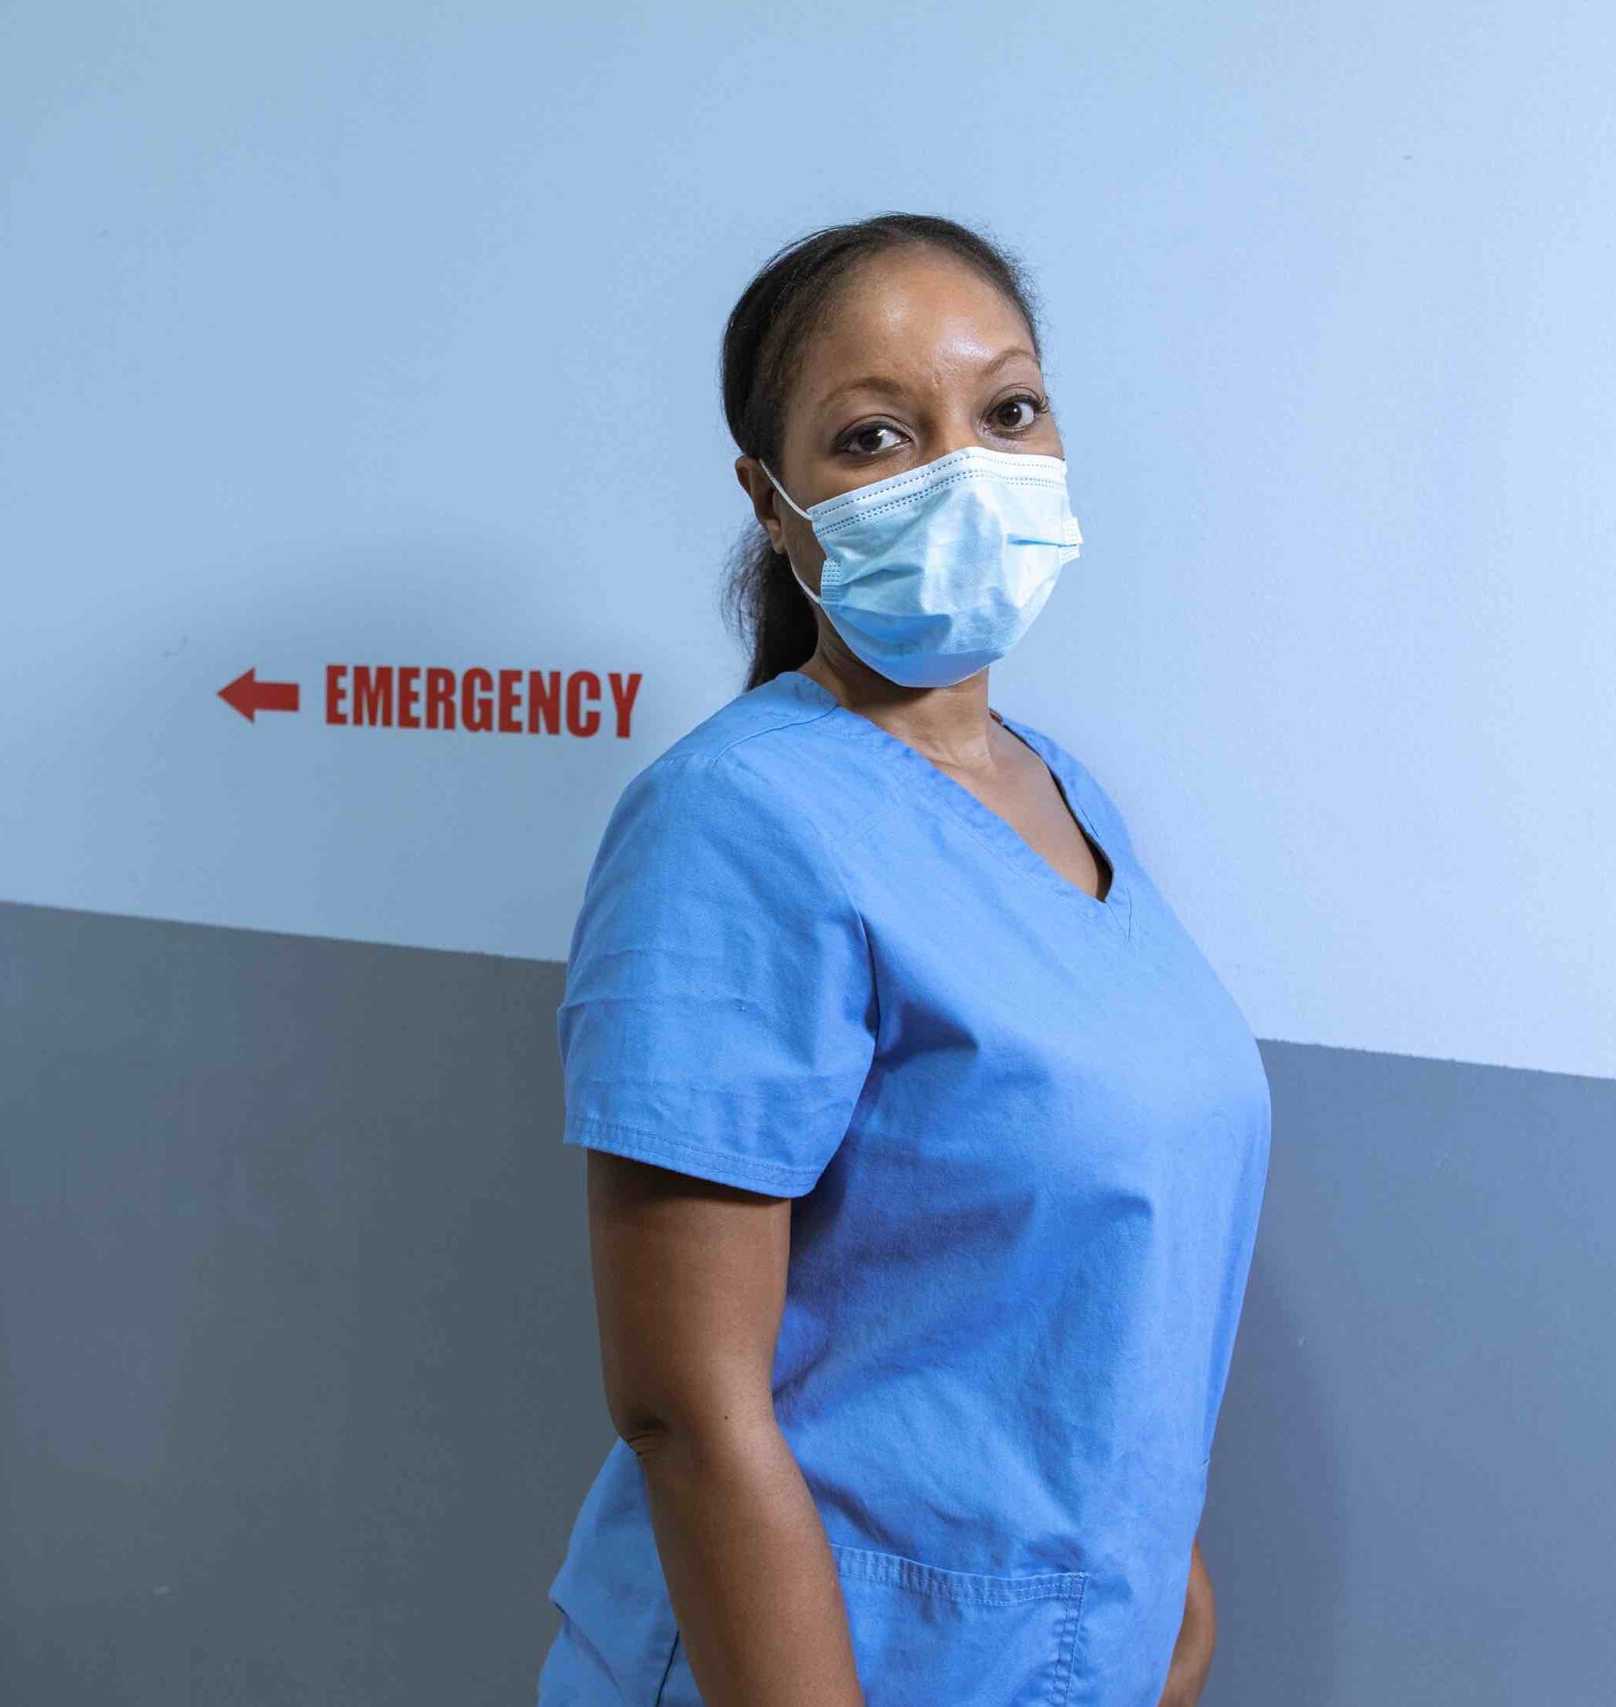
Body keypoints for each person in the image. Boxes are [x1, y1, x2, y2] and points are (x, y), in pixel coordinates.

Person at [534, 213, 1272, 1707]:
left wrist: (1162, 1591)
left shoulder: (1064, 796)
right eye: (876, 437)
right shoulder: (734, 826)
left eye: (1008, 412)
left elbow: (1098, 1268)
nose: (966, 474)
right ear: (773, 497)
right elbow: (687, 1404)